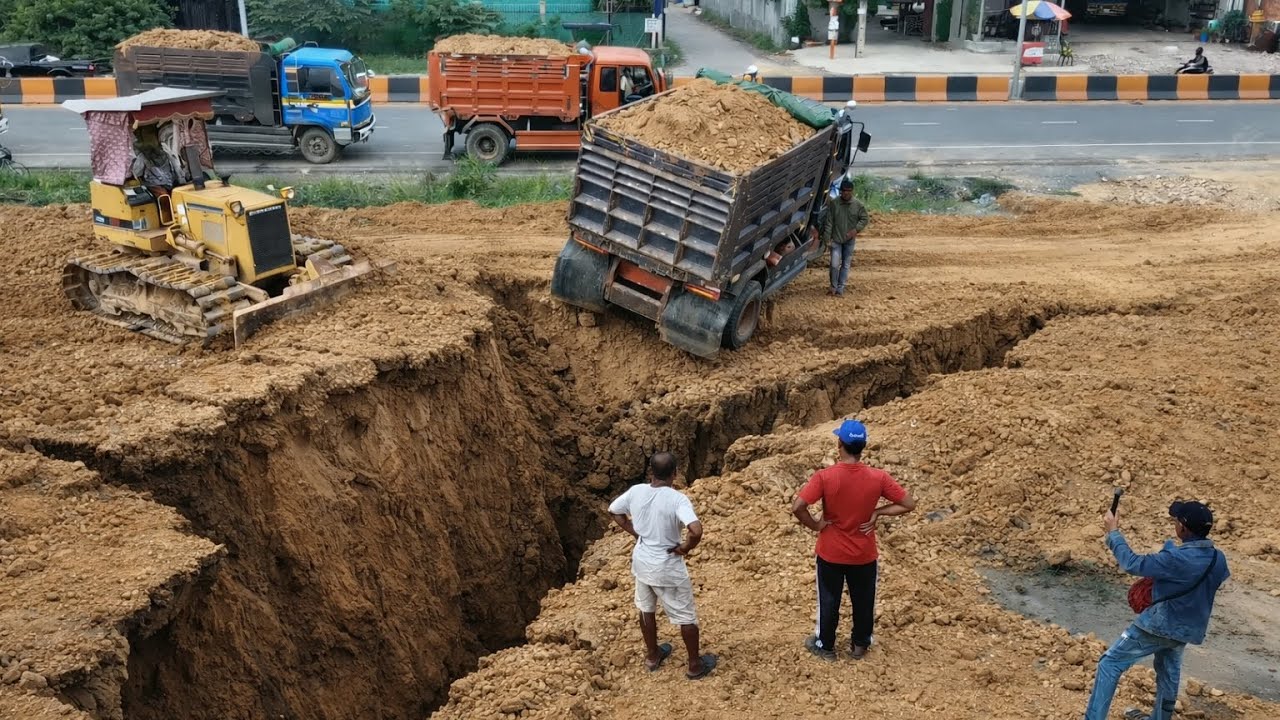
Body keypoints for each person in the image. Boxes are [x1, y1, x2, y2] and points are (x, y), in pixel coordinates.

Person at [1083, 501, 1230, 720]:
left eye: (1176, 521)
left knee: (1110, 663)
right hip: (1187, 630)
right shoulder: (1219, 559)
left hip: (1158, 625)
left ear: (1183, 528)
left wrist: (1113, 532)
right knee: (1169, 673)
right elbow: (1208, 581)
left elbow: (1132, 563)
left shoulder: (1175, 559)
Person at [792, 419, 915, 661]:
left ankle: (826, 646)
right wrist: (878, 512)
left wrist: (816, 525)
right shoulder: (878, 477)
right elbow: (908, 503)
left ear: (839, 444)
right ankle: (860, 646)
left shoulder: (825, 477)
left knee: (829, 600)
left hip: (831, 553)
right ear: (863, 447)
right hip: (864, 554)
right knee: (864, 600)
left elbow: (798, 507)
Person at [608, 452, 717, 680]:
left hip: (642, 562)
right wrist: (685, 548)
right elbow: (696, 530)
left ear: (651, 472)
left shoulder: (636, 491)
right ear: (675, 473)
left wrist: (636, 533)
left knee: (645, 608)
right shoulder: (677, 499)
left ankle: (653, 655)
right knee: (685, 616)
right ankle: (695, 666)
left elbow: (615, 511)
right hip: (667, 566)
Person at [818, 176, 870, 297]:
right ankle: (833, 286)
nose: (846, 193)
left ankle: (840, 288)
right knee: (834, 265)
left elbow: (864, 219)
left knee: (845, 264)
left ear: (852, 191)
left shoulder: (858, 205)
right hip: (836, 239)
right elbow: (829, 222)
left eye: (848, 191)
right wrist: (827, 239)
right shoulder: (834, 204)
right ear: (841, 191)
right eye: (844, 191)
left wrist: (855, 230)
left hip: (849, 240)